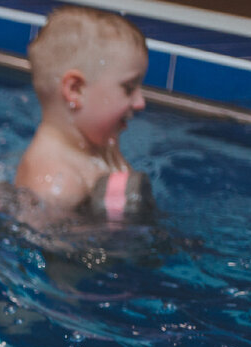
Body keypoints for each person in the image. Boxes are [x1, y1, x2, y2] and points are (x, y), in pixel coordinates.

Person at [14, 6, 149, 217]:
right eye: (129, 88)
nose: (140, 102)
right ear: (75, 90)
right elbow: (48, 248)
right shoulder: (56, 184)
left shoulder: (103, 145)